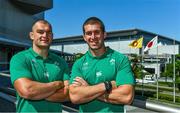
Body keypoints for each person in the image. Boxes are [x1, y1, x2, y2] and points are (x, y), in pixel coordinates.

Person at [69, 17, 135, 113]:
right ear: (84, 37)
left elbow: (126, 96)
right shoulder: (79, 64)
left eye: (97, 32)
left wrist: (87, 89)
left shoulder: (120, 59)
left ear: (104, 34)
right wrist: (107, 85)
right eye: (89, 33)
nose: (93, 37)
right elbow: (75, 97)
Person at [10, 19, 70, 112]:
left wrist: (39, 93)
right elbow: (27, 90)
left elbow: (68, 93)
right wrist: (57, 84)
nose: (45, 36)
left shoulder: (61, 62)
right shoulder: (20, 58)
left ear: (52, 36)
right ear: (32, 35)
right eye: (40, 32)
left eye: (48, 32)